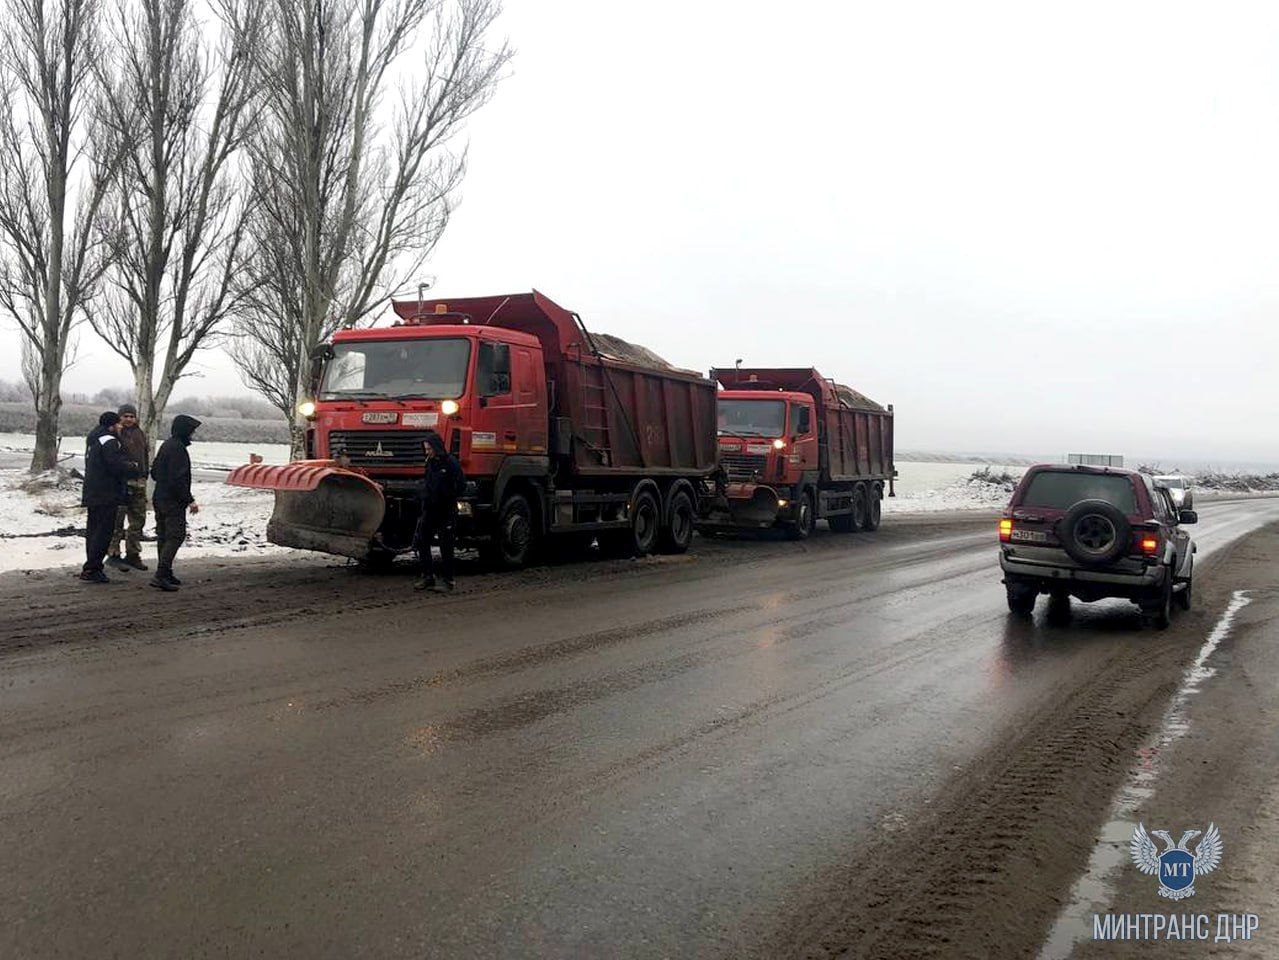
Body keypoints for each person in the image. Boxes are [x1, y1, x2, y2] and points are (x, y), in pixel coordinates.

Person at [80, 411, 141, 583]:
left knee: (93, 531)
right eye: (118, 424)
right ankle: (93, 568)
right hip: (106, 493)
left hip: (93, 492)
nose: (121, 426)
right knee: (103, 532)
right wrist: (132, 468)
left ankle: (91, 565)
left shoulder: (94, 439)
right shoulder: (110, 441)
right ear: (112, 426)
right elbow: (115, 466)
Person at [148, 414, 201, 592]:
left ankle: (165, 572)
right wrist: (190, 500)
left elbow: (154, 472)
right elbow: (178, 479)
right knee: (175, 536)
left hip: (160, 497)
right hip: (173, 501)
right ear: (185, 430)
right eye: (192, 430)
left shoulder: (166, 445)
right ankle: (162, 574)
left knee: (163, 535)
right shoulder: (178, 449)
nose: (193, 434)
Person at [413, 430, 465, 592]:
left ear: (436, 447)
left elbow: (461, 484)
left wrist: (448, 496)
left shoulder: (450, 463)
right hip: (430, 509)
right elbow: (428, 484)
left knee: (446, 545)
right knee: (422, 540)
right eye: (425, 449)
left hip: (446, 510)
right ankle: (428, 576)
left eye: (429, 449)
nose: (427, 452)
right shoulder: (430, 463)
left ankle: (449, 580)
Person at [108, 403, 149, 571]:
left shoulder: (140, 433)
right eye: (125, 416)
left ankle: (133, 554)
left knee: (138, 520)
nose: (129, 419)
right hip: (122, 483)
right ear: (120, 417)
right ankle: (113, 554)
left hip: (139, 482)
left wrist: (145, 472)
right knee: (118, 520)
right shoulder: (115, 434)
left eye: (132, 416)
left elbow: (145, 454)